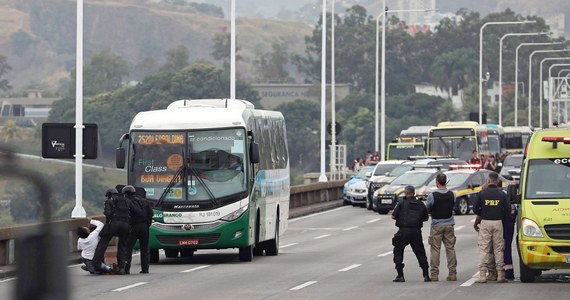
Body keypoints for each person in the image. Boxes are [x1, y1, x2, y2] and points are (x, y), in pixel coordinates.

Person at [472, 172, 511, 283]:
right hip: (498, 222)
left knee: (484, 248)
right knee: (498, 248)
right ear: (497, 181)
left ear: (488, 181)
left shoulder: (482, 193)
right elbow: (508, 210)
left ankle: (483, 275)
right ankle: (500, 275)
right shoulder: (502, 194)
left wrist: (483, 212)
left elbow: (475, 209)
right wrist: (500, 214)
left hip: (485, 222)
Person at [391, 185, 431, 282]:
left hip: (403, 231)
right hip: (416, 231)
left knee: (398, 251)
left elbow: (393, 216)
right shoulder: (420, 204)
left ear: (406, 193)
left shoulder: (401, 203)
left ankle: (400, 275)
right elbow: (426, 217)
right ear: (413, 193)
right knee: (420, 252)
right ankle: (426, 275)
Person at [91, 187, 132, 275]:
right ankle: (121, 268)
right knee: (122, 246)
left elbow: (108, 213)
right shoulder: (127, 201)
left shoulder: (109, 201)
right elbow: (131, 213)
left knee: (103, 242)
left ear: (109, 195)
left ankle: (96, 263)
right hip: (126, 224)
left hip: (114, 223)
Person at [426, 173, 458, 282]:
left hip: (436, 225)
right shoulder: (452, 194)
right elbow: (453, 204)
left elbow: (428, 208)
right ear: (446, 181)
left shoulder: (432, 195)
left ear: (437, 182)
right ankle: (452, 273)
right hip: (449, 224)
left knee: (435, 250)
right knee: (450, 249)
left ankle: (434, 275)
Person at [124, 185, 153, 274]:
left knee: (128, 248)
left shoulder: (127, 202)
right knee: (144, 248)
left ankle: (126, 269)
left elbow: (126, 215)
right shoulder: (144, 201)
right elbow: (151, 213)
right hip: (144, 226)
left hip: (133, 226)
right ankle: (145, 269)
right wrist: (147, 223)